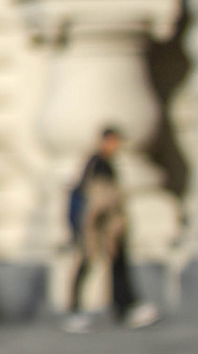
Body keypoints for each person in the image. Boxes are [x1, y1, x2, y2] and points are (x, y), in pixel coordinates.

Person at [63, 127, 160, 331]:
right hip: (99, 228)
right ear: (106, 140)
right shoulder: (99, 164)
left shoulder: (101, 163)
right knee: (92, 264)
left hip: (101, 227)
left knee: (113, 265)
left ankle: (122, 307)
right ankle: (77, 311)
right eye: (115, 141)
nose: (118, 146)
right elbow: (101, 201)